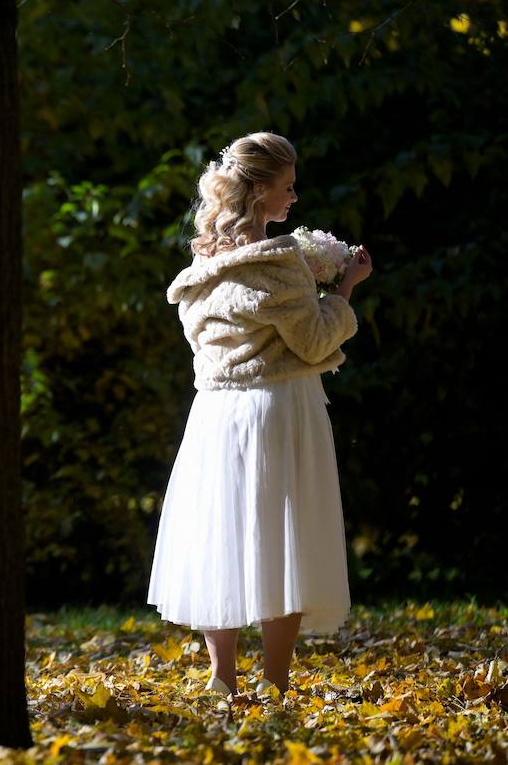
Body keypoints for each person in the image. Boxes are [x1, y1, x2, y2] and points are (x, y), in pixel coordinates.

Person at [147, 132, 373, 698]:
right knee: (283, 540)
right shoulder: (279, 264)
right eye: (288, 187)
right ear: (261, 190)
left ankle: (222, 678)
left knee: (219, 538)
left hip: (216, 415)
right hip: (277, 408)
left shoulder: (204, 267)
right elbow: (317, 342)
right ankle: (273, 682)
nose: (294, 198)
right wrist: (345, 288)